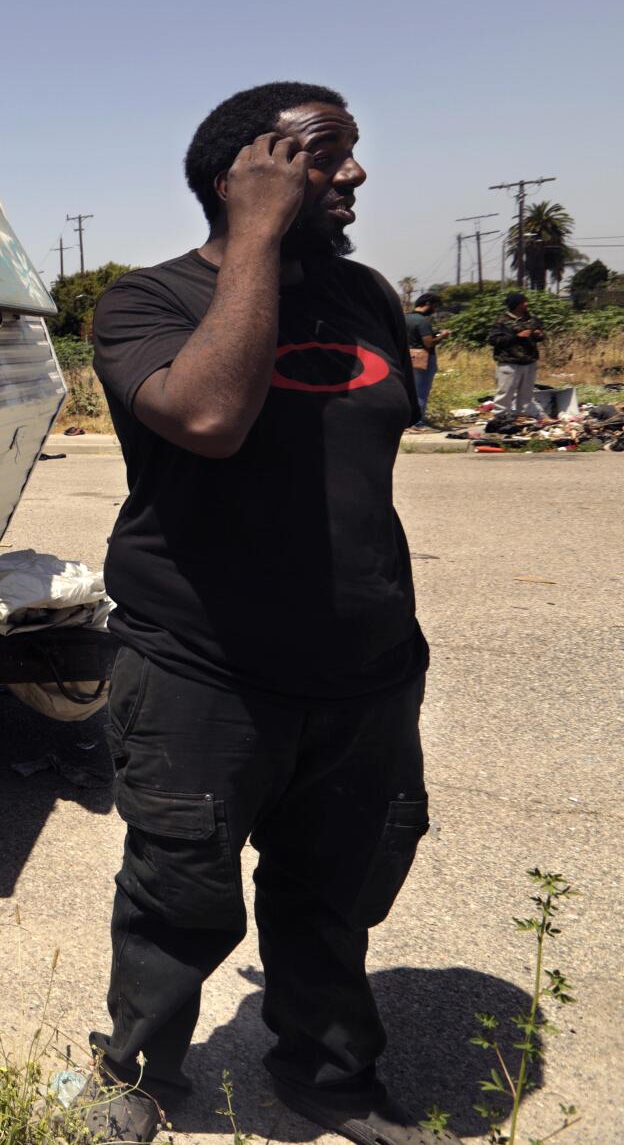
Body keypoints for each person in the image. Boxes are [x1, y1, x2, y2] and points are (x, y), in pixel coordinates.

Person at [81, 83, 432, 1145]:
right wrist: (254, 239)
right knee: (175, 895)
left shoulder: (364, 295)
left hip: (363, 671)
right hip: (201, 668)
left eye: (352, 153)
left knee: (333, 889)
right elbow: (208, 415)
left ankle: (327, 1078)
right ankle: (132, 1073)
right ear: (247, 172)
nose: (353, 175)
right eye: (324, 155)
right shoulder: (144, 305)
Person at [487, 291, 545, 419]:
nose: (526, 304)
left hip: (529, 360)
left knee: (526, 392)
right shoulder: (502, 321)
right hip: (509, 361)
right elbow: (493, 340)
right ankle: (501, 417)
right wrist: (516, 337)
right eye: (523, 302)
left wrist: (538, 335)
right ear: (516, 304)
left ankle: (524, 415)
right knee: (505, 391)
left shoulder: (531, 318)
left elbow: (540, 335)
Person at [403, 292, 443, 430]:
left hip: (407, 357)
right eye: (435, 306)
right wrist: (442, 336)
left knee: (410, 390)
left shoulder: (406, 318)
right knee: (421, 391)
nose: (435, 310)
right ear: (428, 304)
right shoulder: (423, 321)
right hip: (422, 358)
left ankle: (409, 420)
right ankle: (418, 422)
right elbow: (429, 343)